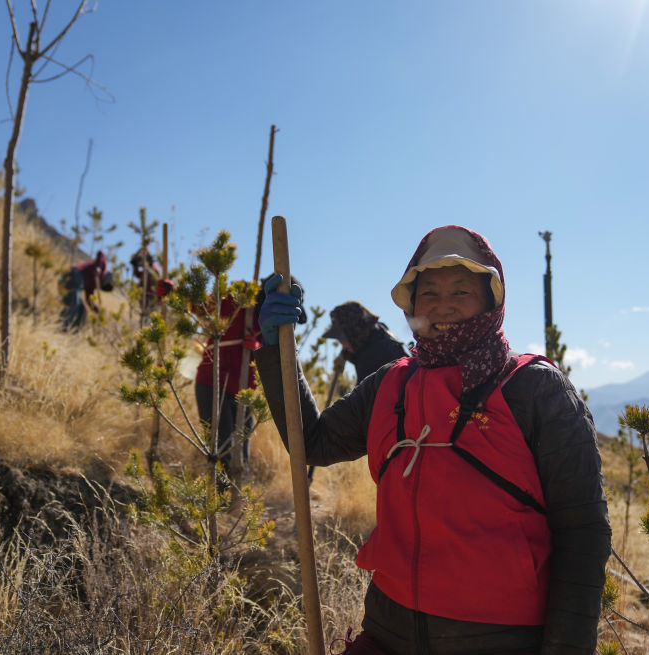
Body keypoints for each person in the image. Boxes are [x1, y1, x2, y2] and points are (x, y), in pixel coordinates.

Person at [256, 225, 610, 655]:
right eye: (429, 293)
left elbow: (583, 530)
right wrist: (279, 351)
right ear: (412, 305)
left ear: (491, 301)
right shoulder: (392, 383)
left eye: (461, 291)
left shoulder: (534, 388)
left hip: (498, 638)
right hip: (387, 627)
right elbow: (314, 442)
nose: (444, 306)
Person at [195, 273, 305, 477]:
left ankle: (236, 505)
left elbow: (278, 357)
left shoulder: (280, 322)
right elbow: (202, 308)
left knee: (241, 455)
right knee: (221, 450)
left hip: (244, 392)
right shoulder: (239, 299)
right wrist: (172, 291)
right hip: (213, 383)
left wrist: (260, 348)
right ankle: (220, 503)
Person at [323, 301, 408, 385]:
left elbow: (360, 398)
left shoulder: (374, 357)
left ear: (353, 332)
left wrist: (339, 385)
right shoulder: (377, 334)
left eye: (343, 338)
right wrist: (345, 355)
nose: (341, 343)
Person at [60, 249, 112, 331]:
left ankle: (74, 331)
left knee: (82, 310)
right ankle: (63, 327)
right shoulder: (102, 267)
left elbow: (88, 299)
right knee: (74, 303)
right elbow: (100, 253)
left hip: (74, 282)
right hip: (74, 275)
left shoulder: (92, 285)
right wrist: (98, 267)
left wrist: (96, 310)